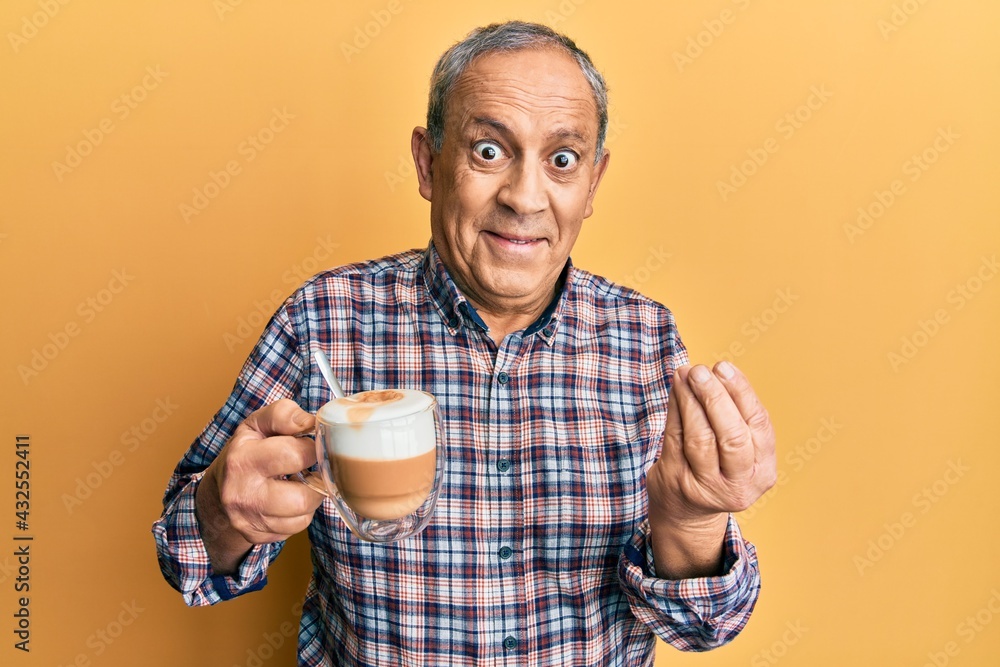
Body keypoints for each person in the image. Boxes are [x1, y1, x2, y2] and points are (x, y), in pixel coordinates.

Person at [153, 21, 777, 666]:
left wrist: (690, 524)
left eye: (562, 160)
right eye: (488, 151)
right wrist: (225, 516)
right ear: (429, 163)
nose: (524, 198)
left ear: (592, 182)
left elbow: (707, 628)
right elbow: (184, 554)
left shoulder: (643, 337)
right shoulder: (326, 317)